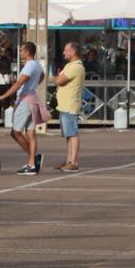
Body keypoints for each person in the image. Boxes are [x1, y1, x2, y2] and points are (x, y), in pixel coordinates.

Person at [0, 41, 46, 175]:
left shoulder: (30, 65)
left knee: (15, 132)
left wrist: (3, 96)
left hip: (25, 100)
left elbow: (18, 83)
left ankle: (33, 159)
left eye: (22, 50)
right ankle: (32, 163)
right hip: (33, 99)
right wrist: (33, 85)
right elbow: (42, 76)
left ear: (28, 52)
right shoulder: (37, 65)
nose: (20, 52)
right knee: (30, 133)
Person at [52, 41, 87, 172]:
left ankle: (74, 162)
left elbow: (58, 80)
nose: (64, 52)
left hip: (70, 104)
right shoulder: (69, 65)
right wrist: (58, 78)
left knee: (72, 133)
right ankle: (69, 160)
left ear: (73, 52)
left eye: (66, 50)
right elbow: (59, 79)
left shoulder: (76, 67)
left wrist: (57, 77)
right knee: (68, 134)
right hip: (64, 105)